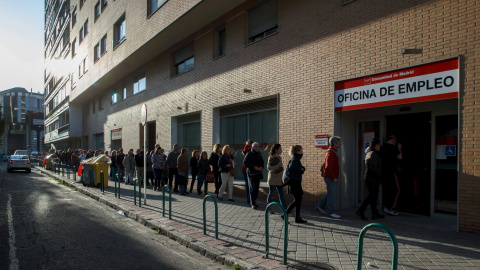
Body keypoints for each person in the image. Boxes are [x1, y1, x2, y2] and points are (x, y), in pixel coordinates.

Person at [357, 138, 385, 220]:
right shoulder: (373, 154)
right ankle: (360, 210)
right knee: (371, 196)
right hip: (372, 179)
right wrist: (380, 176)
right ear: (376, 145)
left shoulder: (370, 153)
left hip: (371, 178)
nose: (380, 146)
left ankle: (374, 213)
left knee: (374, 196)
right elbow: (374, 168)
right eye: (379, 145)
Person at [316, 136, 342, 219]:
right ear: (334, 143)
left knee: (330, 193)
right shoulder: (330, 153)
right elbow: (328, 167)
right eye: (338, 142)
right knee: (331, 195)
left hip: (330, 176)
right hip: (330, 177)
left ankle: (320, 206)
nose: (340, 144)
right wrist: (333, 177)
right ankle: (331, 212)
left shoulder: (332, 152)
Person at [283, 145, 307, 223]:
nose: (302, 152)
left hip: (295, 182)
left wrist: (301, 168)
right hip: (294, 183)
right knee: (297, 200)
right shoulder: (295, 160)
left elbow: (298, 169)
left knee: (298, 200)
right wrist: (302, 170)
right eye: (301, 150)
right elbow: (299, 171)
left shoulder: (295, 159)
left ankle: (297, 217)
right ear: (297, 151)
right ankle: (285, 214)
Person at [381, 135, 402, 216]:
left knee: (386, 190)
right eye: (395, 141)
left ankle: (386, 207)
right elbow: (400, 157)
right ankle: (391, 208)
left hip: (384, 172)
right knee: (396, 189)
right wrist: (399, 148)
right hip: (392, 172)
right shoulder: (393, 148)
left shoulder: (382, 148)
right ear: (393, 140)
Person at [267, 143, 287, 212]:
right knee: (271, 194)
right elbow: (269, 167)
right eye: (280, 149)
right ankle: (268, 208)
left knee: (281, 194)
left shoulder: (279, 157)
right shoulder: (272, 157)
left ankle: (285, 209)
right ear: (276, 150)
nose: (281, 150)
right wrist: (278, 166)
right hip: (273, 179)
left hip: (279, 180)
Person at [244, 142, 265, 209]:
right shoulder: (249, 154)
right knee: (252, 188)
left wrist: (261, 167)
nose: (257, 148)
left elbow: (262, 162)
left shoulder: (259, 154)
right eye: (256, 146)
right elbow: (245, 163)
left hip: (258, 174)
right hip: (251, 174)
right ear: (252, 147)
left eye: (258, 146)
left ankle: (254, 201)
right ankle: (252, 203)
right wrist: (253, 167)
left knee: (256, 189)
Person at [242, 140, 252, 205]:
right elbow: (245, 153)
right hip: (245, 170)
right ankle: (249, 199)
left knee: (251, 185)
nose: (248, 145)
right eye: (247, 143)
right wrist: (247, 146)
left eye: (249, 144)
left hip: (251, 170)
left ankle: (251, 199)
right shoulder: (245, 151)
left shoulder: (252, 151)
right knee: (247, 185)